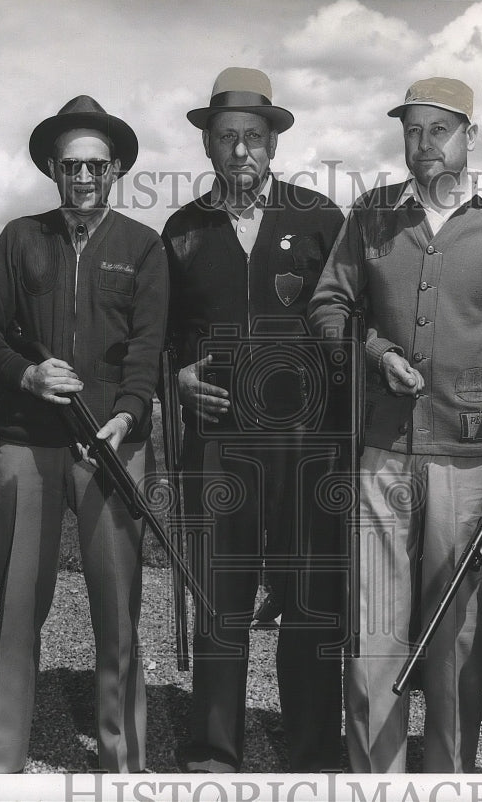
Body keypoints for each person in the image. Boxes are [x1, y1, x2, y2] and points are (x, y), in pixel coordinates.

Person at [308, 77, 482, 772]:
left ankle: (448, 776)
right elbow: (329, 306)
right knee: (375, 630)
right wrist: (375, 352)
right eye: (411, 131)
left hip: (472, 463)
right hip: (382, 453)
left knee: (457, 636)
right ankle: (375, 779)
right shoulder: (371, 215)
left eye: (438, 130)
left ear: (470, 135)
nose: (423, 145)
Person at [162, 67, 345, 772]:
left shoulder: (319, 216)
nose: (241, 151)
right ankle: (215, 746)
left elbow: (346, 320)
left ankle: (313, 748)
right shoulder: (183, 229)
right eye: (227, 138)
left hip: (306, 441)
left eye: (254, 138)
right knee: (221, 594)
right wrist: (178, 375)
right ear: (209, 146)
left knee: (309, 596)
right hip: (217, 442)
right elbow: (166, 332)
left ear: (273, 145)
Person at [0, 95, 167, 773]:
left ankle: (124, 762)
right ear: (53, 170)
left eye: (95, 164)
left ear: (115, 168)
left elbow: (148, 351)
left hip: (111, 445)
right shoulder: (17, 239)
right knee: (18, 607)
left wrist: (126, 415)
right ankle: (3, 764)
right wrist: (28, 376)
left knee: (117, 610)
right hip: (27, 443)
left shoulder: (144, 247)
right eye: (70, 165)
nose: (83, 177)